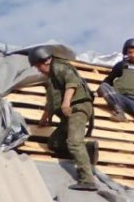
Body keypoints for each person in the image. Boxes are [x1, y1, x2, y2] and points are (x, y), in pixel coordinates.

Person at [29, 46, 98, 191]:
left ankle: (87, 180)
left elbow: (72, 82)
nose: (38, 70)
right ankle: (88, 150)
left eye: (37, 66)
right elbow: (51, 103)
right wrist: (43, 120)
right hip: (69, 114)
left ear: (45, 61)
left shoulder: (59, 67)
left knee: (73, 142)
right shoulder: (51, 80)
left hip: (77, 108)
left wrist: (66, 102)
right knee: (54, 143)